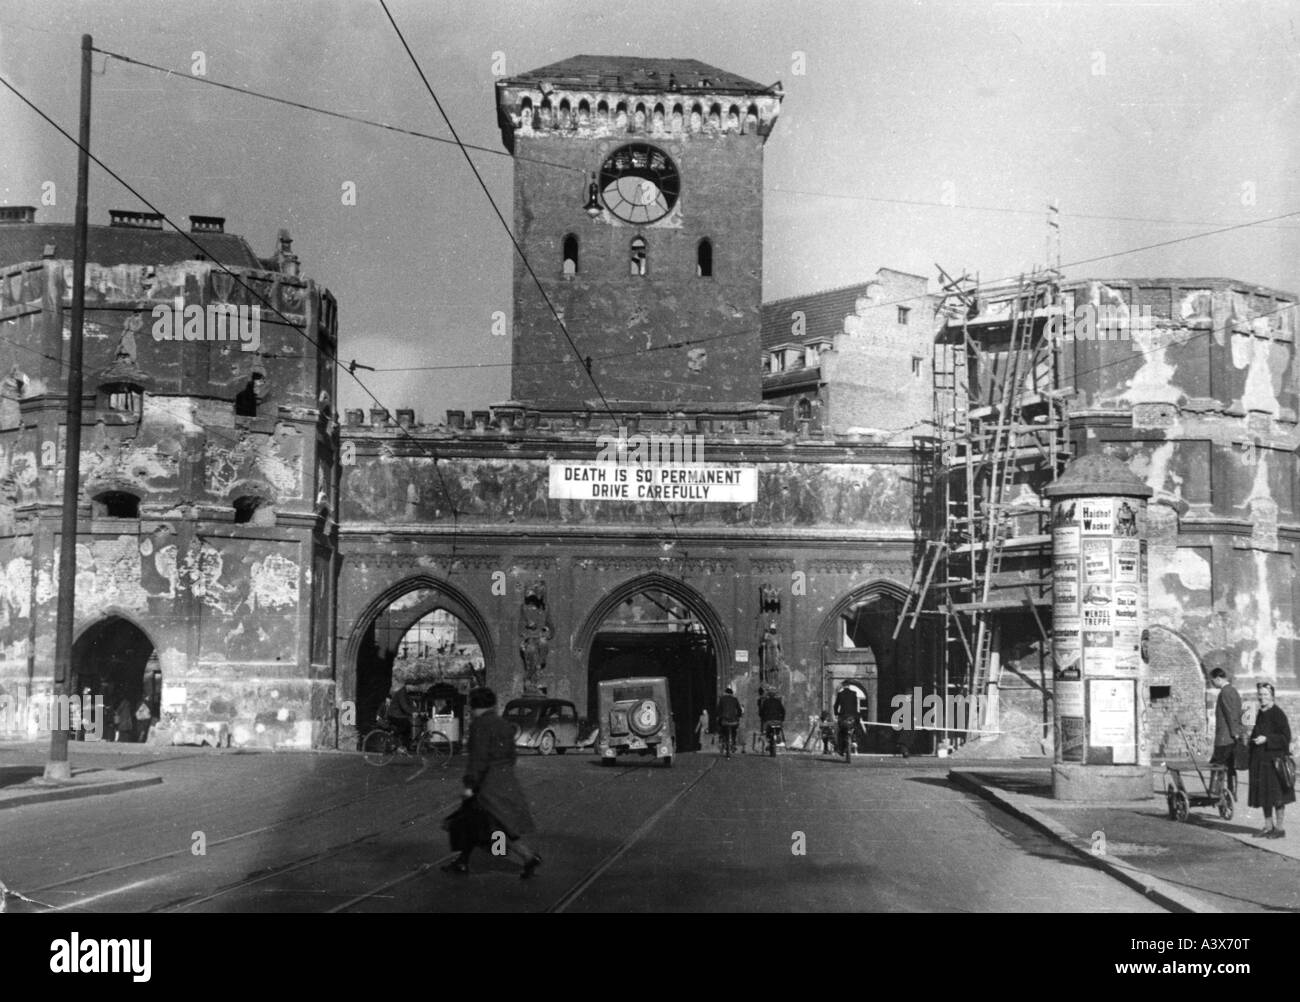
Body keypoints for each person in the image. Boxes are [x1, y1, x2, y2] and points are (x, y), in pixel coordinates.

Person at [444, 686, 541, 878]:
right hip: (505, 780)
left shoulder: (480, 725)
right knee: (476, 822)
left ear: (474, 706)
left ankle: (527, 856)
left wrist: (470, 785)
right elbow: (512, 755)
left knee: (491, 826)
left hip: (487, 785)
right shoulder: (504, 724)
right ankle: (463, 861)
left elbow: (479, 758)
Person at [1248, 682, 1293, 839]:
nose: (1262, 697)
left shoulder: (1278, 714)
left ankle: (1279, 829)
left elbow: (1286, 737)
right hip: (1262, 762)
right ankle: (1268, 827)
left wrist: (1267, 739)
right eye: (1260, 694)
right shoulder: (1261, 713)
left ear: (1272, 696)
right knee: (1265, 796)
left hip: (1275, 763)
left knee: (1277, 797)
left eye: (1265, 694)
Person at [1209, 667, 1246, 795]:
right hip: (1231, 737)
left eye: (1212, 680)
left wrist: (1234, 732)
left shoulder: (1224, 692)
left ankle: (1215, 792)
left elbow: (1230, 714)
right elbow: (1239, 713)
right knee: (1230, 766)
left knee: (1217, 765)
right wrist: (1238, 733)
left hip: (1224, 738)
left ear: (1218, 678)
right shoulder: (1233, 691)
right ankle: (1232, 792)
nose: (1212, 683)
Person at [385, 680, 416, 749]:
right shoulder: (401, 692)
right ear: (407, 685)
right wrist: (412, 712)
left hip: (398, 715)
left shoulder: (407, 693)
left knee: (407, 726)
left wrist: (417, 711)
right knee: (405, 724)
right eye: (412, 685)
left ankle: (405, 745)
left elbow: (411, 705)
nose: (413, 687)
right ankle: (394, 738)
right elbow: (404, 706)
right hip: (393, 715)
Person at [833, 680, 860, 755]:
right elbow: (855, 705)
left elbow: (835, 706)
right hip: (852, 716)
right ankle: (854, 739)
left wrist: (836, 713)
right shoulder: (854, 693)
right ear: (849, 685)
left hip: (843, 716)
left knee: (841, 731)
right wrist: (856, 715)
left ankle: (840, 749)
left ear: (843, 686)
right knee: (856, 726)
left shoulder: (840, 694)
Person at [716, 687, 742, 756]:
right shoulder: (735, 699)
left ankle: (722, 738)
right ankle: (733, 742)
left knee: (720, 727)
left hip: (724, 721)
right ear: (732, 693)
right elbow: (739, 710)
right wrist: (739, 715)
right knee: (734, 730)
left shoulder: (722, 699)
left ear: (725, 693)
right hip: (734, 721)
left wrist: (718, 715)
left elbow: (718, 709)